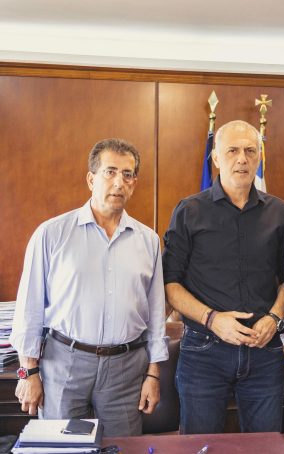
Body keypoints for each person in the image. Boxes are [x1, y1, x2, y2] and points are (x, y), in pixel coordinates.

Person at [10, 138, 168, 437]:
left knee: (124, 448)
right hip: (64, 363)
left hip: (126, 369)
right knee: (61, 447)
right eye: (110, 172)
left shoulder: (148, 240)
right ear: (91, 179)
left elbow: (156, 314)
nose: (119, 182)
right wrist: (28, 371)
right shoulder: (51, 234)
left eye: (127, 174)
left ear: (134, 183)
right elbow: (29, 307)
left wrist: (153, 374)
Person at [163, 120, 284, 434]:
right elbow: (170, 284)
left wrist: (274, 317)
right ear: (217, 158)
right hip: (204, 350)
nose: (242, 159)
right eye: (232, 151)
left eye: (250, 151)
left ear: (259, 157)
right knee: (200, 447)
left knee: (265, 446)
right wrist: (212, 319)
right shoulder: (189, 211)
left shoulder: (279, 212)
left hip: (264, 349)